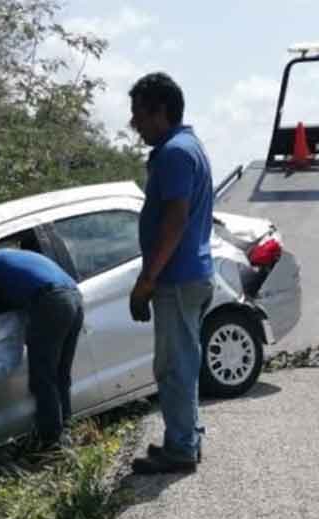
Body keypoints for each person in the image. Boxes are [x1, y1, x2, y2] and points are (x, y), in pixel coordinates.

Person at [127, 72, 215, 475]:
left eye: (139, 114)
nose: (135, 124)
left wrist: (147, 280)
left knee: (173, 366)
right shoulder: (187, 146)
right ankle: (186, 437)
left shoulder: (176, 153)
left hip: (177, 279)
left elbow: (175, 221)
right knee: (184, 360)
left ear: (160, 110)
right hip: (188, 276)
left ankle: (180, 448)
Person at [0, 246, 84, 449]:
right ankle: (66, 429)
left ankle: (52, 441)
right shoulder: (15, 258)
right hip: (75, 298)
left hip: (50, 302)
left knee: (43, 377)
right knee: (60, 373)